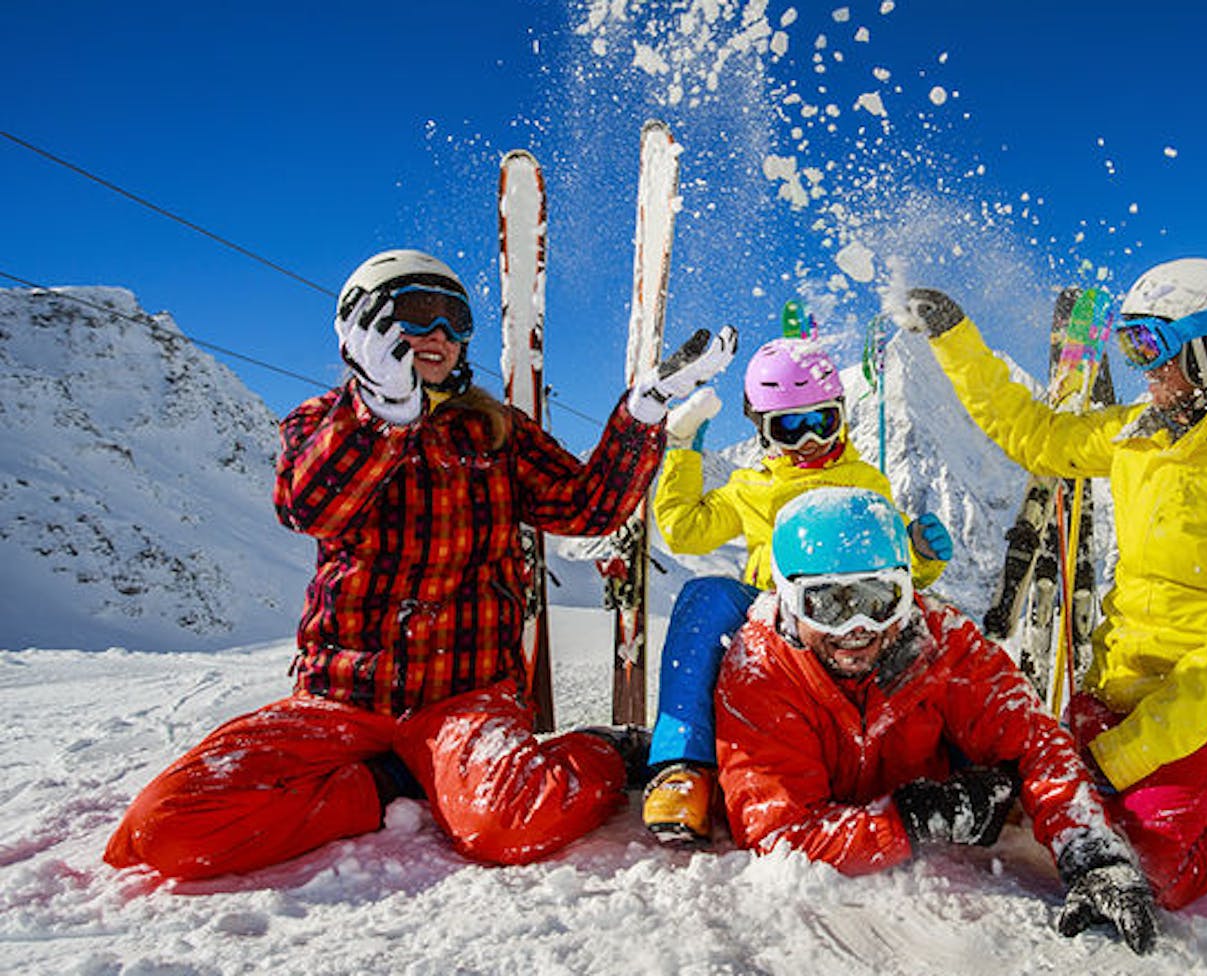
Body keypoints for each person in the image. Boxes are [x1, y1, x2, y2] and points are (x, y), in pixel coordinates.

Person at [104, 249, 735, 880]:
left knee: (509, 823)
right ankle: (391, 783)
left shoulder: (495, 433)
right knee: (167, 827)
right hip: (341, 696)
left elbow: (587, 507)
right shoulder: (322, 424)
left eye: (454, 319)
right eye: (413, 313)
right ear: (359, 328)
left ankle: (603, 750)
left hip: (466, 697)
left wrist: (644, 411)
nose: (438, 334)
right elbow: (308, 506)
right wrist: (383, 414)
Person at [892, 257, 1207, 910]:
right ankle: (1141, 775)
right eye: (1130, 345)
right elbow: (1036, 437)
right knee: (1052, 821)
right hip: (1122, 685)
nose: (1142, 367)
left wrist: (1117, 759)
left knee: (1150, 870)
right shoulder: (1141, 437)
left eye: (1153, 345)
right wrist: (953, 338)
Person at [715, 487, 1158, 954]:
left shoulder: (939, 640)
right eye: (826, 605)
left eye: (879, 599)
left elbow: (1034, 737)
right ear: (786, 600)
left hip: (936, 761)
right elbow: (780, 833)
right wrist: (918, 818)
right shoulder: (761, 671)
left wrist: (1091, 854)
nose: (857, 628)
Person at [639, 337, 952, 844]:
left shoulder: (864, 482)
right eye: (788, 427)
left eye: (820, 421)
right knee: (705, 597)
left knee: (928, 619)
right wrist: (681, 452)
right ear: (762, 431)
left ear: (842, 415)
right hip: (771, 616)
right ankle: (683, 769)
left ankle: (938, 753)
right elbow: (683, 531)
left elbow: (894, 570)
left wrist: (921, 554)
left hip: (846, 617)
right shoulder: (751, 486)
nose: (807, 439)